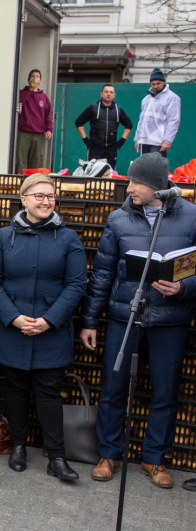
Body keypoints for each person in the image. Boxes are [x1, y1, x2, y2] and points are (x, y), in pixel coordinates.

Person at [81, 153, 196, 490]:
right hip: (124, 316)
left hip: (170, 320)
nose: (128, 187)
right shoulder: (119, 219)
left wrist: (183, 287)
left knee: (165, 392)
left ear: (157, 186)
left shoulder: (191, 216)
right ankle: (109, 454)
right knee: (113, 388)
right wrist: (90, 320)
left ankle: (154, 459)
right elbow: (102, 273)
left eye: (135, 182)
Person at [0, 174, 88, 480]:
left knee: (49, 391)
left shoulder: (68, 239)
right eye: (38, 196)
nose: (45, 201)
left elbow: (76, 283)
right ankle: (18, 446)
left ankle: (56, 456)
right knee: (14, 388)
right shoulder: (4, 237)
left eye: (50, 196)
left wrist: (48, 320)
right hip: (12, 327)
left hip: (51, 330)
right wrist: (13, 317)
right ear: (23, 199)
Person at [75, 84, 132, 170]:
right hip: (95, 148)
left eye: (111, 92)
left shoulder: (118, 110)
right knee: (92, 173)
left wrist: (121, 141)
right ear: (101, 94)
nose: (108, 94)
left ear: (114, 95)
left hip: (111, 150)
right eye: (106, 92)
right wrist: (86, 140)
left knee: (109, 174)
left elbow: (129, 125)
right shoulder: (93, 108)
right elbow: (79, 122)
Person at [134, 68, 181, 163]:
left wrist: (167, 140)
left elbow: (173, 120)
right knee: (145, 167)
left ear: (163, 82)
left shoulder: (172, 98)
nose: (155, 86)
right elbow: (141, 120)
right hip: (144, 140)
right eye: (153, 84)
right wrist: (138, 138)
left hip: (158, 141)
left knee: (156, 168)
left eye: (158, 84)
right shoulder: (146, 99)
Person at [16, 69, 53, 172]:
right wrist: (30, 90)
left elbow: (48, 115)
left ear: (40, 80)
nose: (34, 78)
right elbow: (19, 104)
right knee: (20, 160)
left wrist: (49, 130)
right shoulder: (22, 93)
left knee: (37, 162)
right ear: (28, 80)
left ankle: (34, 185)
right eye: (32, 76)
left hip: (39, 134)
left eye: (37, 76)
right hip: (23, 133)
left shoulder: (44, 97)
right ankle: (20, 184)